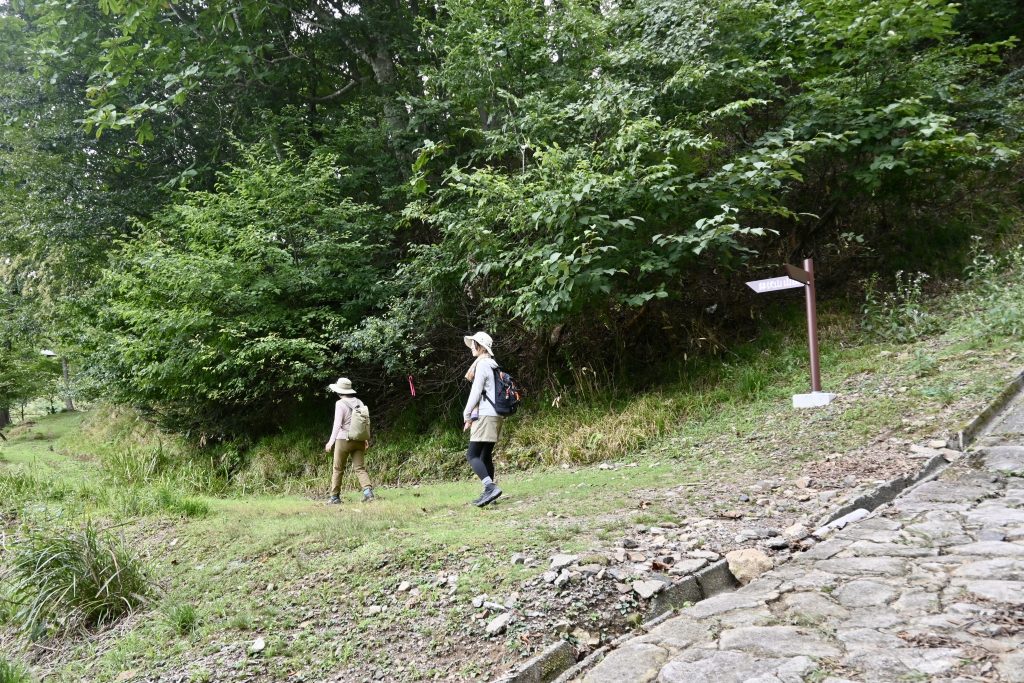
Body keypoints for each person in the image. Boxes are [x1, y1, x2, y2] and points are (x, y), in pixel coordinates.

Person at [462, 331, 504, 507]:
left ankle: (490, 487)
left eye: (474, 344)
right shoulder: (493, 364)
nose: (472, 346)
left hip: (485, 415)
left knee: (472, 455)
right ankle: (490, 494)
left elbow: (476, 392)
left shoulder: (482, 365)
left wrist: (466, 414)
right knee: (485, 455)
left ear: (481, 346)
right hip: (496, 414)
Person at [325, 377, 374, 503]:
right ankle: (368, 493)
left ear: (339, 391)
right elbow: (365, 422)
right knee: (360, 468)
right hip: (359, 440)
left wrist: (331, 441)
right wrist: (365, 438)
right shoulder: (359, 402)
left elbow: (337, 424)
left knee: (338, 469)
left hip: (343, 440)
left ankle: (335, 497)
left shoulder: (340, 404)